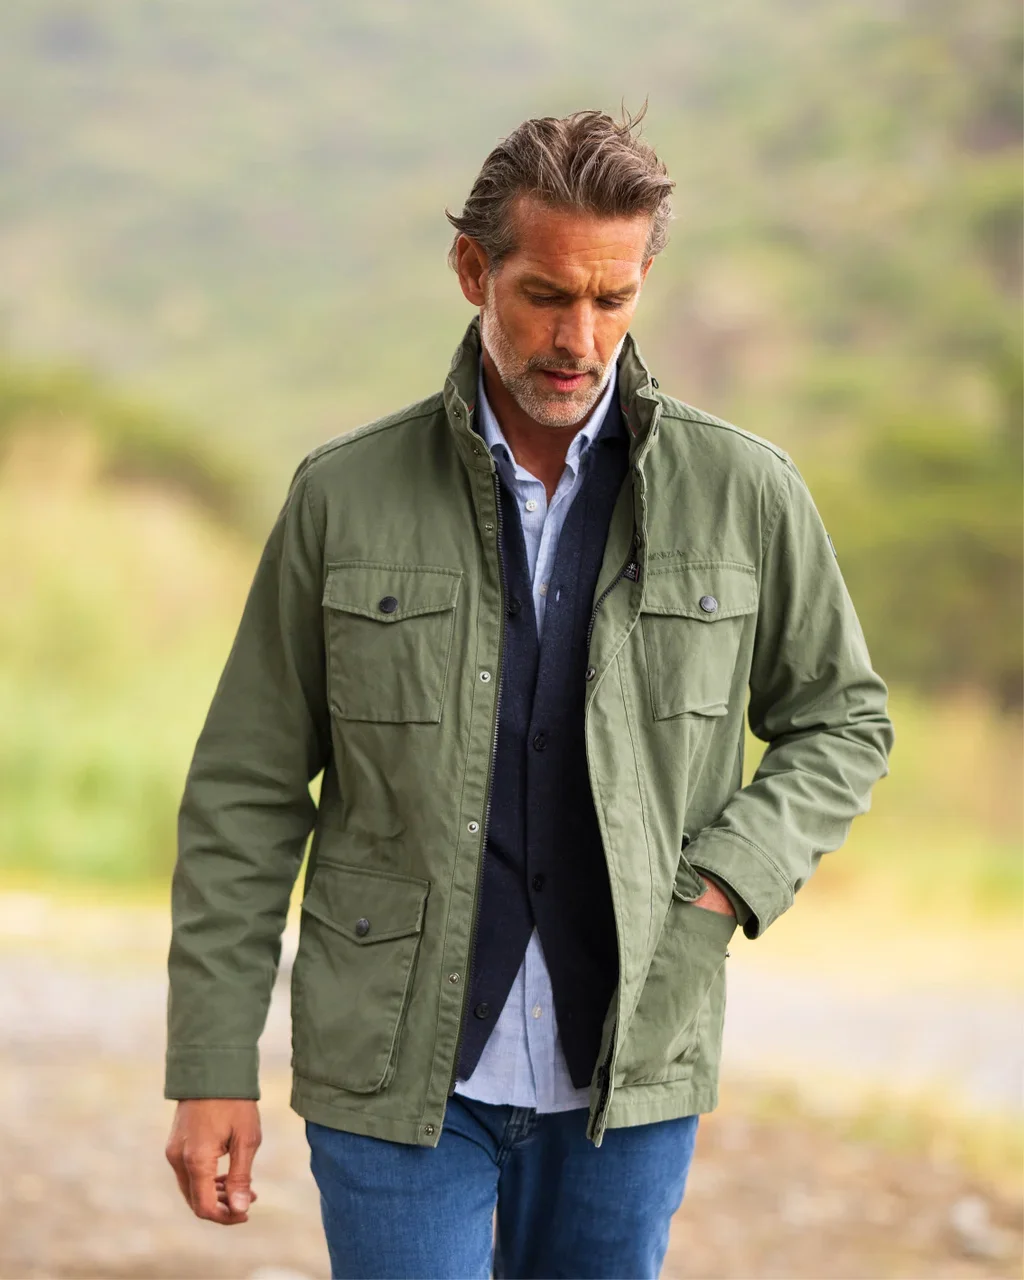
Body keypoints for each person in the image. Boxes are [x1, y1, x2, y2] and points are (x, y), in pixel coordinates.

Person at [164, 108, 894, 1279]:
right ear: (474, 270)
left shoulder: (744, 492)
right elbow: (246, 791)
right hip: (393, 1073)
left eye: (612, 299)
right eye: (547, 295)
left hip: (630, 1069)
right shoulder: (343, 496)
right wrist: (211, 1061)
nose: (579, 337)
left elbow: (842, 720)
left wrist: (721, 885)